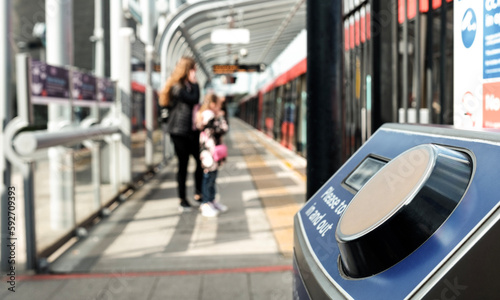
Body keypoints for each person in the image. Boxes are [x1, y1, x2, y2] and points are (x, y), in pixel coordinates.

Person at [159, 56, 203, 212]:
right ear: (187, 69)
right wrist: (196, 84)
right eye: (193, 69)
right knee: (183, 165)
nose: (195, 72)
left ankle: (199, 193)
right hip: (179, 131)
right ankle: (182, 199)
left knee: (200, 161)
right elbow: (193, 100)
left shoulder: (188, 86)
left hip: (192, 130)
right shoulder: (177, 87)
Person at [196, 93, 229, 217]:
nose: (220, 108)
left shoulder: (205, 115)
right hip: (209, 152)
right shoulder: (209, 116)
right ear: (213, 104)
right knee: (209, 178)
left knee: (211, 177)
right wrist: (221, 117)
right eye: (219, 105)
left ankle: (211, 201)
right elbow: (223, 129)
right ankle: (206, 203)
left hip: (209, 152)